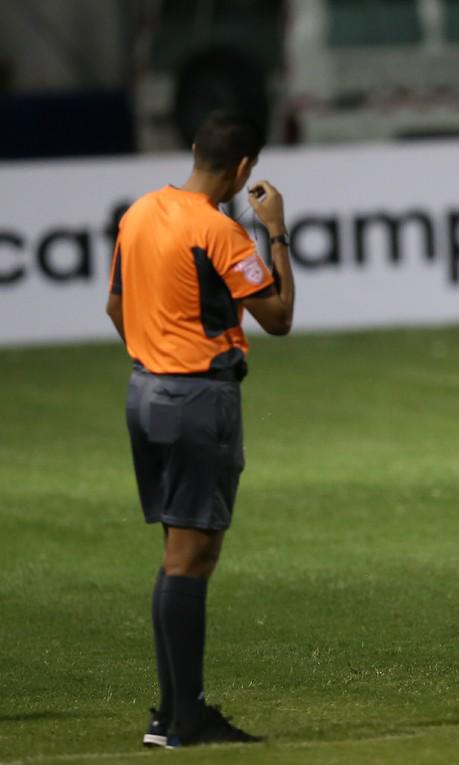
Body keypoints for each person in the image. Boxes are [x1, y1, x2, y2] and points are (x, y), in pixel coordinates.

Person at [105, 109, 296, 747]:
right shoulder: (221, 232)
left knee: (178, 555)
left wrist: (153, 354)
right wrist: (277, 231)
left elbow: (115, 303)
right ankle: (185, 718)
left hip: (145, 391)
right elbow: (279, 316)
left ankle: (172, 714)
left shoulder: (138, 213)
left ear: (193, 149)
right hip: (196, 398)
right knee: (192, 558)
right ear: (243, 169)